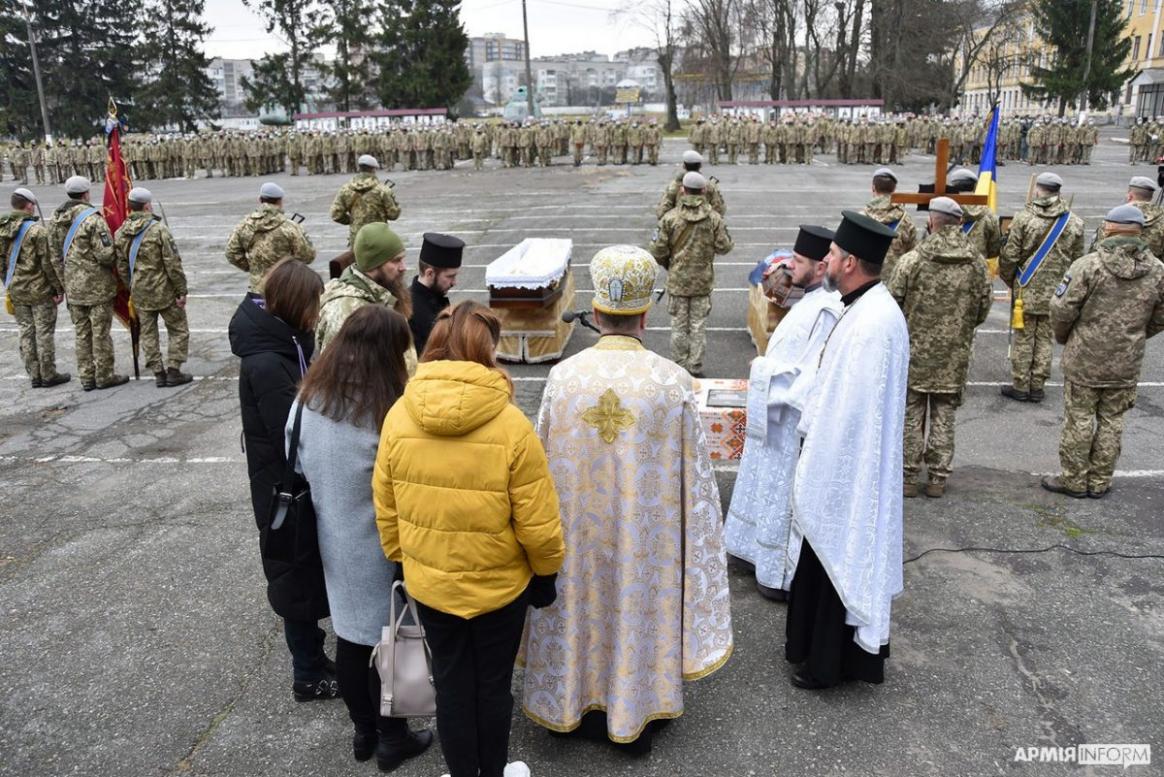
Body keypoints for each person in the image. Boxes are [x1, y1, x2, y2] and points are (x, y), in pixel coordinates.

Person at [522, 245, 733, 751]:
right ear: (645, 312)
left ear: (595, 313)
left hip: (577, 536)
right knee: (636, 608)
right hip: (647, 541)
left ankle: (571, 703)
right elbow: (698, 485)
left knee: (581, 606)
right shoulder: (671, 380)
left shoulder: (563, 378)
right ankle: (633, 711)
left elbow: (539, 465)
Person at [374, 300, 565, 777]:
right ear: (488, 353)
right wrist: (546, 572)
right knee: (493, 687)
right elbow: (537, 519)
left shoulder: (399, 416)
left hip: (432, 585)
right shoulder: (511, 425)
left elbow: (386, 505)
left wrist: (403, 558)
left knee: (452, 687)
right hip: (500, 588)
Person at [289, 305, 434, 769]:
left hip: (330, 535)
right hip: (382, 539)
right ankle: (394, 735)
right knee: (396, 638)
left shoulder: (309, 397)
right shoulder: (388, 407)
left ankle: (363, 732)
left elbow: (294, 457)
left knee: (350, 638)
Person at [785, 210, 908, 690]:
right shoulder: (863, 308)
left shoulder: (875, 322)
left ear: (851, 261)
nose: (827, 260)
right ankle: (815, 653)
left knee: (840, 555)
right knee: (825, 558)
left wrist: (815, 449)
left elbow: (852, 412)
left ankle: (828, 664)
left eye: (833, 254)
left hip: (848, 471)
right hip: (843, 463)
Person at [228, 259, 338, 703]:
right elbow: (289, 435)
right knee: (295, 578)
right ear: (296, 304)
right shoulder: (269, 363)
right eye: (313, 303)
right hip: (282, 489)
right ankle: (307, 674)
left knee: (302, 573)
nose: (317, 312)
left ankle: (313, 656)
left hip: (283, 482)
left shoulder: (283, 340)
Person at [723, 226, 842, 601]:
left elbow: (810, 377)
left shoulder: (827, 310)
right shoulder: (808, 297)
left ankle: (778, 573)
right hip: (775, 415)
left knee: (782, 498)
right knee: (763, 485)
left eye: (800, 261)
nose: (791, 264)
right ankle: (753, 550)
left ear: (822, 267)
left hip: (789, 421)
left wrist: (762, 370)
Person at [1042, 204, 1164, 498]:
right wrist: (1134, 336)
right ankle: (1099, 482)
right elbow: (1160, 316)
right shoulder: (1158, 271)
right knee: (1113, 420)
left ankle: (1073, 480)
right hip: (1126, 360)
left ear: (1110, 227)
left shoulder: (1088, 266)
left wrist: (1064, 337)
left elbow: (1061, 309)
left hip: (1085, 356)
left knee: (1080, 418)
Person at [886, 197, 992, 498]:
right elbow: (983, 307)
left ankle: (907, 477)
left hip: (915, 350)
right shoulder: (976, 263)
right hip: (954, 353)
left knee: (911, 413)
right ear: (958, 223)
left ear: (932, 222)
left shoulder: (913, 260)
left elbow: (894, 305)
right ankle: (937, 478)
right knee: (944, 414)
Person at [998, 172, 1085, 403]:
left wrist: (1011, 281)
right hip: (1057, 292)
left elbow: (1009, 256)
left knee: (1024, 337)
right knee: (1045, 339)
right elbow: (1078, 262)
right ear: (1059, 191)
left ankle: (1020, 385)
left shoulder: (1024, 218)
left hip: (1026, 289)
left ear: (1038, 189)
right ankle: (1037, 386)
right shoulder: (1074, 222)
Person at [648, 171, 734, 376]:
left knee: (678, 326)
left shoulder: (670, 218)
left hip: (677, 280)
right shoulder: (714, 218)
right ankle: (695, 367)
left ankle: (679, 366)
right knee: (698, 326)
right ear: (704, 190)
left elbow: (657, 249)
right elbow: (724, 247)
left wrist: (670, 261)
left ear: (682, 190)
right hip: (702, 281)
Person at [51, 175, 128, 391]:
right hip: (97, 289)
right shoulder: (93, 219)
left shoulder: (56, 219)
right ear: (86, 194)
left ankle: (86, 376)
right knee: (100, 333)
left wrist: (64, 282)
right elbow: (105, 255)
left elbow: (54, 256)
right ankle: (104, 375)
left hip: (73, 289)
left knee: (82, 334)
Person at [113, 187, 193, 388]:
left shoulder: (120, 232)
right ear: (147, 206)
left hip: (140, 291)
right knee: (178, 328)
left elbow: (122, 266)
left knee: (148, 332)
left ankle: (158, 372)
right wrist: (181, 290)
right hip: (164, 290)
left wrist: (131, 285)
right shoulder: (158, 230)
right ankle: (174, 369)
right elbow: (172, 263)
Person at [315, 223, 418, 373]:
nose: (403, 267)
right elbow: (343, 378)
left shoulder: (382, 293)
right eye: (395, 261)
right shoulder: (347, 310)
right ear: (373, 264)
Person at [1, 188, 69, 388]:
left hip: (16, 289)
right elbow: (48, 264)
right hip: (39, 290)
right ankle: (48, 374)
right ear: (29, 205)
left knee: (26, 331)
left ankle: (34, 375)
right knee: (44, 332)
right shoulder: (37, 231)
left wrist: (8, 281)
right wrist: (58, 288)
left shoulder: (2, 228)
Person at [226, 182, 316, 294]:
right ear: (280, 201)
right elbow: (307, 256)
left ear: (260, 200)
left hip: (258, 288)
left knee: (259, 312)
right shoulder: (290, 227)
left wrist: (253, 268)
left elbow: (232, 253)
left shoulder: (244, 225)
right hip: (285, 286)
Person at [407, 232, 463, 356]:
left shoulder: (436, 298)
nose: (454, 282)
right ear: (430, 273)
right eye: (450, 276)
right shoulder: (410, 308)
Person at [329, 154, 401, 247]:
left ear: (359, 168)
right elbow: (393, 214)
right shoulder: (383, 190)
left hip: (357, 237)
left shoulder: (346, 189)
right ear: (373, 169)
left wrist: (352, 220)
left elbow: (336, 214)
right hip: (379, 236)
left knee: (359, 261)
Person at [861, 167, 917, 284]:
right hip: (895, 284)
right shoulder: (905, 220)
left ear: (873, 188)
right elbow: (913, 256)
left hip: (864, 284)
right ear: (894, 189)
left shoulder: (860, 218)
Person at [1088, 176, 1164, 259]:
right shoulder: (1161, 218)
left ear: (1130, 196)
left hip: (1114, 269)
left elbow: (1096, 251)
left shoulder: (1114, 219)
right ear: (1151, 197)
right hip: (1154, 269)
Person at [655, 150, 726, 219]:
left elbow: (662, 211)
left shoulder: (675, 185)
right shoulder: (709, 186)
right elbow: (719, 210)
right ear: (700, 166)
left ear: (684, 166)